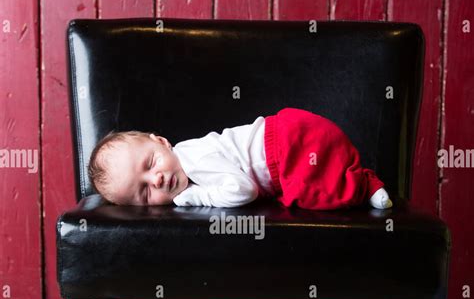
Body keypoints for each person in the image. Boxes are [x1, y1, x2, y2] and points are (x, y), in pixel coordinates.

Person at [87, 107, 392, 210]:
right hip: (281, 141)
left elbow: (244, 190)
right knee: (328, 174)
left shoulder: (193, 158)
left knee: (315, 191)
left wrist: (198, 197)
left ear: (163, 143)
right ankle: (368, 183)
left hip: (284, 145)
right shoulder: (184, 162)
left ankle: (365, 185)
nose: (157, 180)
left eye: (150, 164)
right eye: (144, 192)